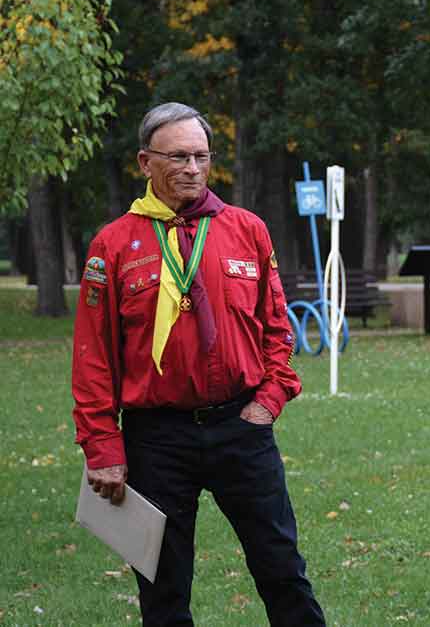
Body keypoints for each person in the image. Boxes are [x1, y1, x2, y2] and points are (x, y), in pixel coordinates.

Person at [72, 102, 326, 626]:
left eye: (201, 156)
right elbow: (93, 357)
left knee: (283, 571)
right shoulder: (113, 245)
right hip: (156, 439)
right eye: (178, 157)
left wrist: (268, 401)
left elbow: (278, 329)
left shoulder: (246, 230)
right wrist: (101, 444)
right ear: (145, 162)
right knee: (163, 591)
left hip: (241, 427)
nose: (192, 168)